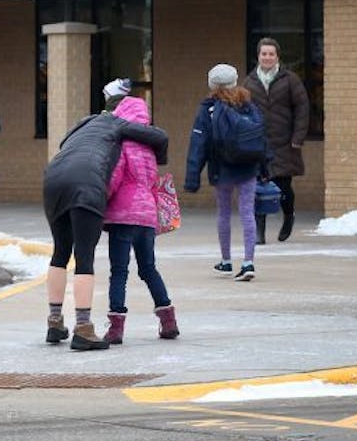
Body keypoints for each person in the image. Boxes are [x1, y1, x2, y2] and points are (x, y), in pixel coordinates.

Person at [42, 98, 168, 351]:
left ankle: (55, 322)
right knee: (84, 257)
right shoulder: (120, 126)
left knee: (60, 251)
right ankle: (84, 328)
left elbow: (64, 141)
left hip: (54, 177)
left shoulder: (86, 122)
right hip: (88, 182)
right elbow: (160, 138)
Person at [102, 93, 178, 344]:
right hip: (146, 217)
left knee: (119, 271)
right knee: (148, 269)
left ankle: (116, 328)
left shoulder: (121, 146)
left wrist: (100, 198)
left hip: (123, 216)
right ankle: (168, 320)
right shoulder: (149, 149)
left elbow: (113, 180)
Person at [185, 63, 267, 281]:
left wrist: (192, 178)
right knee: (247, 212)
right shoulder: (248, 104)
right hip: (248, 166)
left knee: (224, 213)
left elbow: (198, 144)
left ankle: (226, 261)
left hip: (222, 168)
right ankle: (248, 262)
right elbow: (261, 137)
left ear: (212, 85)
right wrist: (266, 166)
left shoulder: (208, 109)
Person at [242, 38, 311, 243]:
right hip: (259, 144)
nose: (267, 57)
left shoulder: (290, 80)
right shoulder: (249, 82)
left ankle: (288, 216)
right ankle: (259, 233)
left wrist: (298, 137)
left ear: (277, 57)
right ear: (258, 56)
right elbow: (243, 112)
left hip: (285, 143)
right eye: (264, 54)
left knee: (283, 186)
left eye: (271, 54)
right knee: (258, 187)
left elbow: (302, 109)